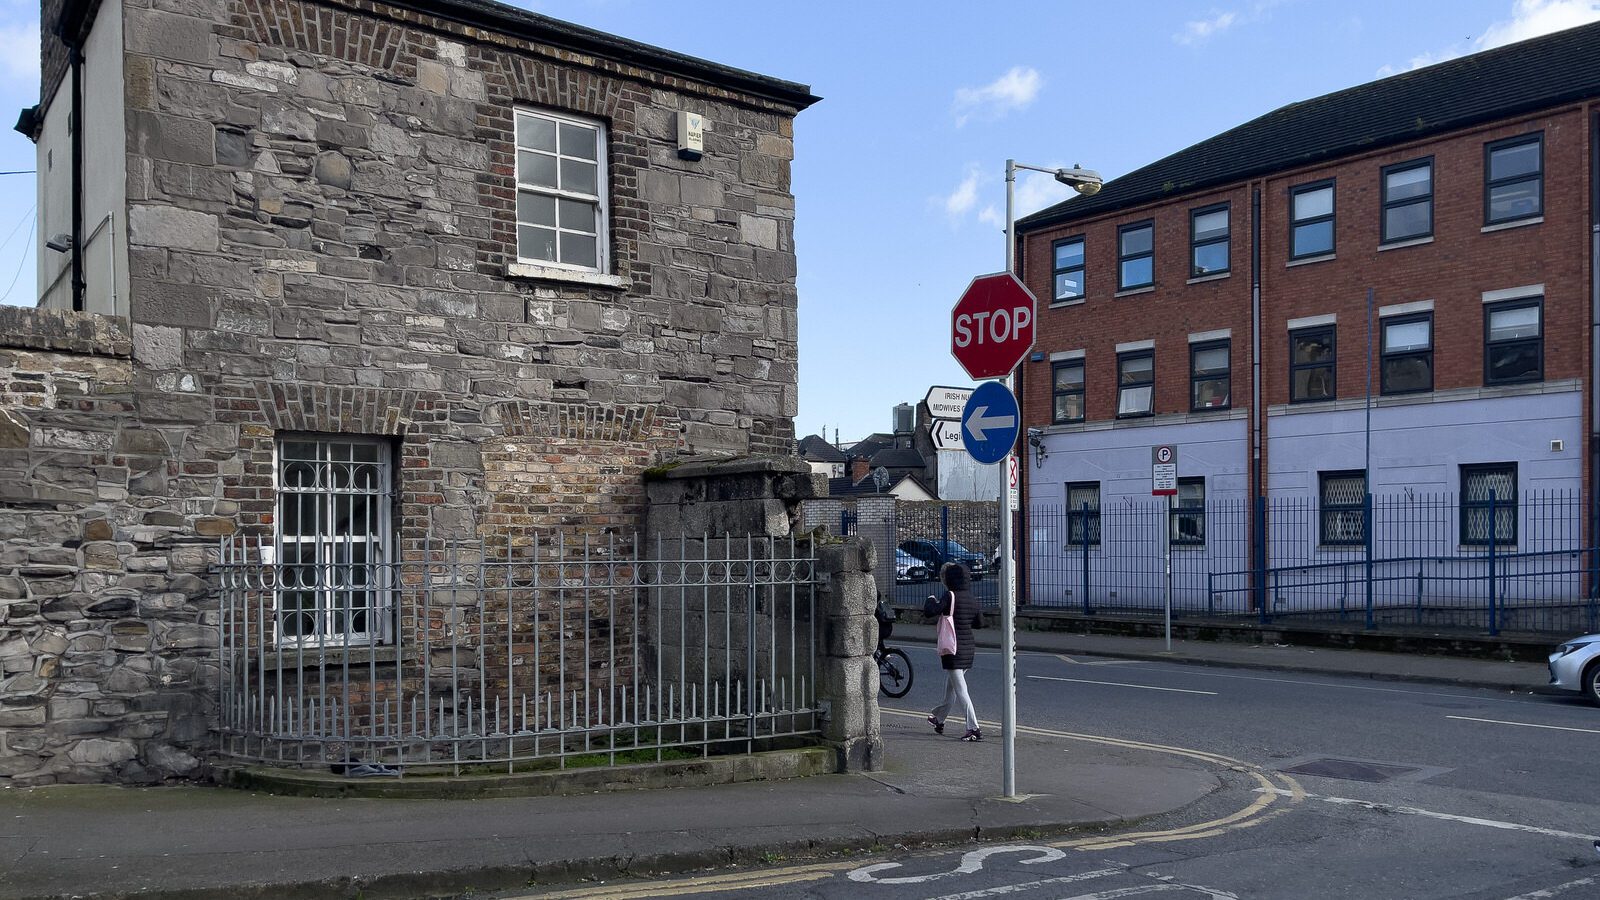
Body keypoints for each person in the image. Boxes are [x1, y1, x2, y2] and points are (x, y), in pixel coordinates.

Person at [926, 562, 983, 742]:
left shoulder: (950, 596)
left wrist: (930, 599)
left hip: (953, 649)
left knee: (960, 690)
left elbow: (931, 611)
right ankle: (939, 719)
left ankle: (973, 728)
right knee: (951, 688)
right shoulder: (972, 599)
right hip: (968, 649)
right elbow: (980, 623)